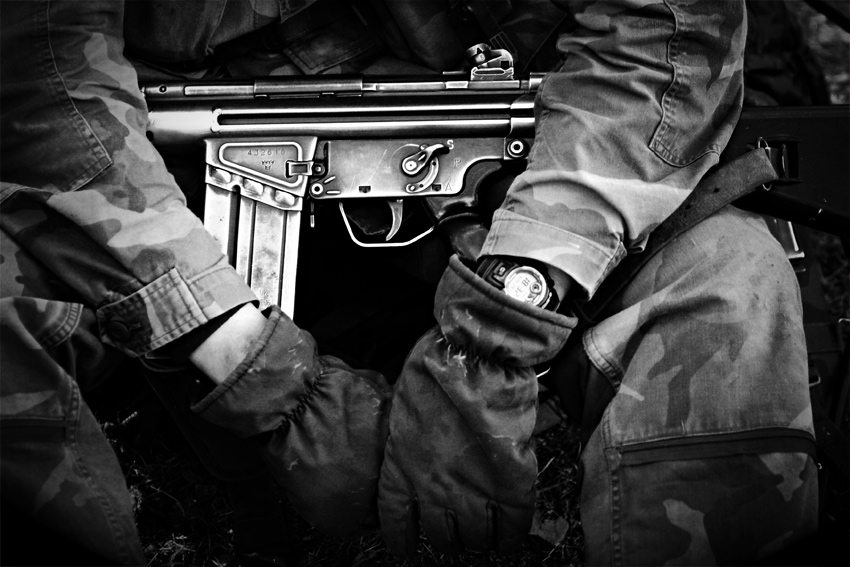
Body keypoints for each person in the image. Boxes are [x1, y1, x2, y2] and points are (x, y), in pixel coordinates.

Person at [0, 1, 818, 566]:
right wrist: (259, 368)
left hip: (495, 213)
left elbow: (666, 36)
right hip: (156, 210)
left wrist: (507, 316)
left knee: (728, 274)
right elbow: (41, 90)